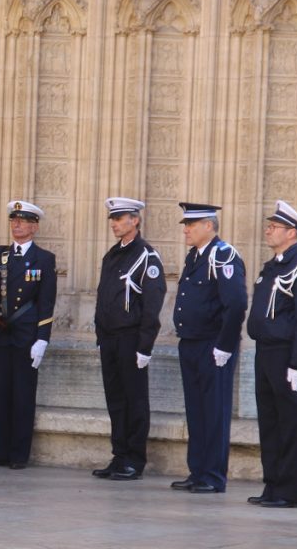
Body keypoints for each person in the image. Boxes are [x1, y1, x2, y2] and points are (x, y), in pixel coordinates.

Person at [246, 200, 297, 509]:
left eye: (274, 227)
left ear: (292, 232)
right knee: (270, 421)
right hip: (265, 352)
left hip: (287, 356)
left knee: (290, 422)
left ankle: (289, 491)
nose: (268, 230)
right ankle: (273, 485)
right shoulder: (273, 266)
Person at [0, 200, 56, 470]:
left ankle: (19, 455)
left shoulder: (44, 259)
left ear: (34, 227)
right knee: (1, 393)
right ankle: (0, 452)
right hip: (0, 332)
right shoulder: (1, 254)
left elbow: (46, 301)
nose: (16, 225)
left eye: (22, 221)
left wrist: (42, 338)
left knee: (23, 395)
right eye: (13, 220)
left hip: (27, 335)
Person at [169, 203, 247, 494]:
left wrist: (225, 345)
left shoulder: (222, 255)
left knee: (214, 410)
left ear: (209, 226)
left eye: (192, 224)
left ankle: (213, 475)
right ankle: (198, 470)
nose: (186, 229)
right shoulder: (195, 256)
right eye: (186, 224)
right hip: (190, 342)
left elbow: (236, 303)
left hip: (213, 346)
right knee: (196, 410)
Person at [92, 197, 166, 481]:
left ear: (135, 220)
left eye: (120, 218)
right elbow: (104, 297)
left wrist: (145, 345)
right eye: (112, 218)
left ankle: (134, 459)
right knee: (116, 399)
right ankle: (119, 455)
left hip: (131, 338)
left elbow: (152, 304)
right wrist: (100, 334)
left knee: (135, 400)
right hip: (110, 339)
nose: (114, 223)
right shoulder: (112, 255)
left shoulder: (147, 257)